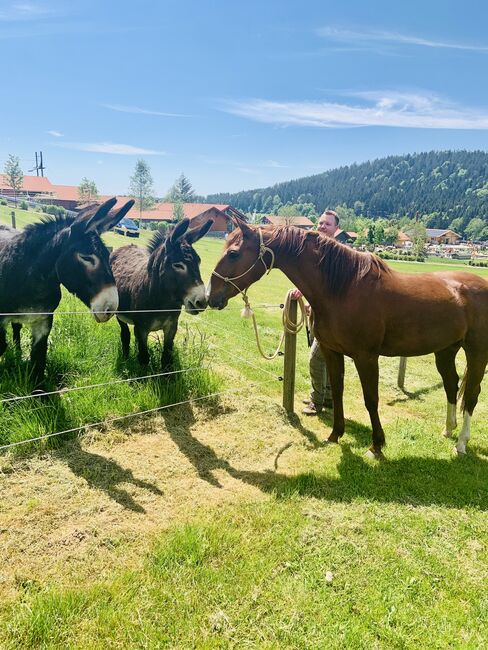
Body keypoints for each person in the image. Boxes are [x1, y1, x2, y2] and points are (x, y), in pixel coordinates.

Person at [290, 209, 340, 415]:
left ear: (337, 229)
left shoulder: (338, 255)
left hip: (333, 319)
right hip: (319, 314)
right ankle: (326, 397)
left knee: (316, 358)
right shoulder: (317, 251)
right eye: (320, 223)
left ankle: (316, 402)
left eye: (327, 224)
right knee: (326, 358)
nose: (322, 227)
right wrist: (303, 291)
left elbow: (334, 286)